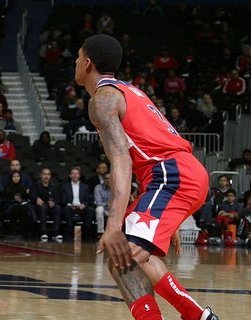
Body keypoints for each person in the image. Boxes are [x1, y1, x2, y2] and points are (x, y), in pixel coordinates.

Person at [76, 34, 218, 320]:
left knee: (121, 255)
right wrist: (165, 218)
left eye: (77, 59)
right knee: (126, 258)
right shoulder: (131, 91)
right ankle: (198, 315)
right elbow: (153, 145)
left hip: (171, 176)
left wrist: (114, 224)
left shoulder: (102, 100)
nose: (75, 64)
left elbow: (121, 159)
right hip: (175, 176)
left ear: (88, 63)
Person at [60, 167, 95, 240]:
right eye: (73, 173)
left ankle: (85, 234)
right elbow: (63, 200)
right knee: (66, 209)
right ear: (70, 175)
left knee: (90, 210)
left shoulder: (85, 187)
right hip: (70, 207)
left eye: (76, 173)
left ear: (79, 175)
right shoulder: (64, 186)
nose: (75, 175)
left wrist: (83, 205)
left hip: (81, 207)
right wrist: (70, 204)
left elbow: (88, 200)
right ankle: (70, 234)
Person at [29, 167, 62, 242]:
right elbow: (31, 194)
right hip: (38, 206)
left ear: (50, 176)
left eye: (48, 174)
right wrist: (37, 198)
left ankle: (55, 233)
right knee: (43, 207)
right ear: (41, 175)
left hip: (50, 206)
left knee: (58, 207)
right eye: (44, 174)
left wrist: (54, 202)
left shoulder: (54, 185)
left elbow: (58, 198)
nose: (46, 176)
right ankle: (43, 232)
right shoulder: (36, 184)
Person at [94, 171, 111, 237]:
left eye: (110, 178)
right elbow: (98, 202)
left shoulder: (116, 187)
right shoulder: (98, 187)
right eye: (106, 178)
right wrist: (107, 204)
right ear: (103, 179)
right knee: (99, 209)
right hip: (104, 209)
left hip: (114, 209)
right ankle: (100, 232)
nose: (108, 180)